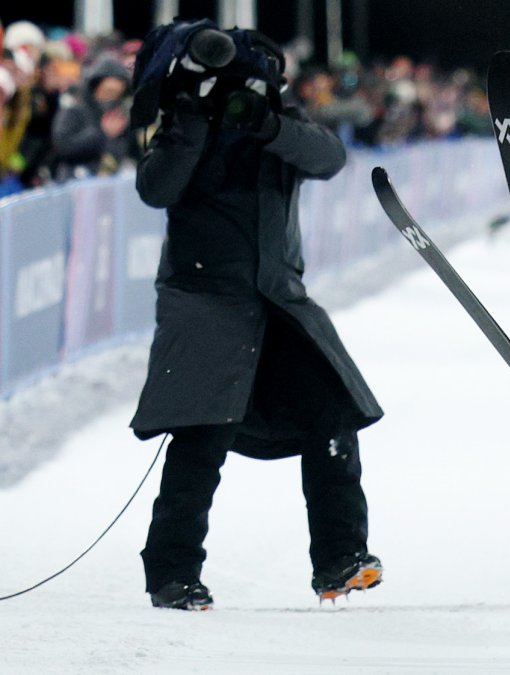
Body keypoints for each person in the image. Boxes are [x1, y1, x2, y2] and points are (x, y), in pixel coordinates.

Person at [129, 23, 384, 610]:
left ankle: (342, 558)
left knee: (330, 417)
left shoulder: (275, 117)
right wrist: (195, 121)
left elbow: (329, 157)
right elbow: (157, 188)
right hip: (204, 302)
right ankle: (172, 574)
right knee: (200, 440)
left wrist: (268, 125)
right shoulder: (181, 123)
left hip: (278, 301)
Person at [50, 54, 137, 179]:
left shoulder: (121, 116)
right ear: (96, 86)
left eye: (117, 94)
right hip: (76, 180)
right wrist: (102, 133)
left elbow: (130, 150)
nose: (111, 98)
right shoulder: (75, 110)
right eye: (108, 92)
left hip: (111, 181)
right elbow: (63, 147)